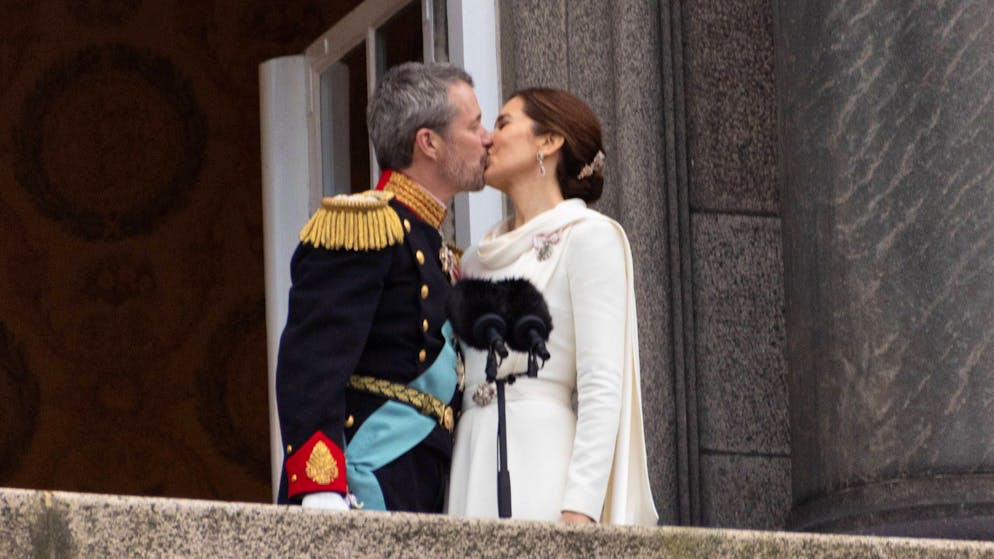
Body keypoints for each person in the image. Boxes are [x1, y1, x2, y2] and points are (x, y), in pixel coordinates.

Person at [275, 62, 491, 512]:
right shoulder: (364, 226)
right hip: (364, 480)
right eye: (474, 126)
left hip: (424, 488)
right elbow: (311, 363)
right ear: (428, 142)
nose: (486, 138)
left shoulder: (439, 250)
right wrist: (321, 487)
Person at [445, 88, 657, 525]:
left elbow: (602, 383)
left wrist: (580, 510)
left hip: (542, 463)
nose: (488, 138)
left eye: (503, 124)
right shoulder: (473, 260)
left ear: (549, 141)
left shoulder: (588, 237)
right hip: (471, 458)